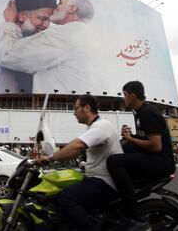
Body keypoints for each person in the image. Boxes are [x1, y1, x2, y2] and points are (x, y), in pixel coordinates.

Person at [37, 94, 123, 231]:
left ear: (87, 108)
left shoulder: (101, 126)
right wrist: (55, 159)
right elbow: (74, 152)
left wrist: (50, 158)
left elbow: (77, 145)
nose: (74, 113)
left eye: (76, 108)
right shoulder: (95, 127)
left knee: (67, 197)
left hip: (105, 182)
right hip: (97, 179)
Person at [107, 81, 175, 231]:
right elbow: (146, 138)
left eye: (125, 94)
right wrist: (130, 137)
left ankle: (135, 215)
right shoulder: (140, 112)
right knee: (124, 147)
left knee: (114, 161)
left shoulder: (148, 112)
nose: (123, 98)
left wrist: (131, 138)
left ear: (132, 95)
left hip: (161, 162)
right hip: (156, 159)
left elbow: (156, 146)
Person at [0, 0, 98, 94]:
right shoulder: (88, 35)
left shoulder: (65, 34)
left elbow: (7, 56)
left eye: (60, 3)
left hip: (60, 104)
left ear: (71, 8)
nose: (56, 7)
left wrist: (9, 23)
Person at [0, 0, 57, 93]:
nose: (46, 25)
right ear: (22, 16)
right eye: (42, 19)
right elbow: (6, 56)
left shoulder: (39, 42)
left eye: (49, 20)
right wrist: (9, 25)